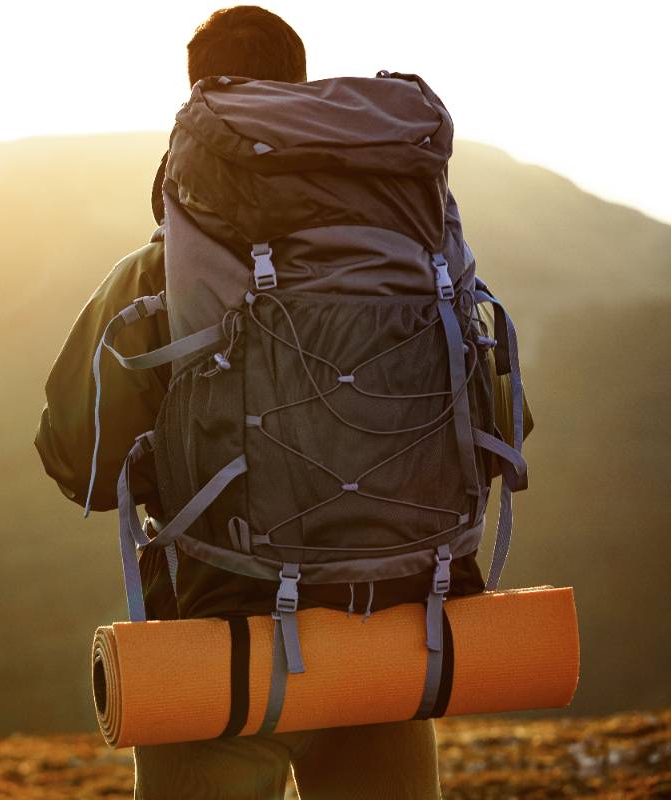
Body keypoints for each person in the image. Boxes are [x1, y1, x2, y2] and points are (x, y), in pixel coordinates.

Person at [35, 6, 531, 799]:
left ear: (199, 104)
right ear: (304, 90)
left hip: (221, 644)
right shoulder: (414, 266)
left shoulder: (154, 277)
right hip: (392, 633)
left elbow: (83, 466)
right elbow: (500, 426)